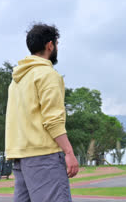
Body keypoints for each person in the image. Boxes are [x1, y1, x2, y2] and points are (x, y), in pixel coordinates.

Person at [5, 23, 79, 202]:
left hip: (20, 157)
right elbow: (53, 120)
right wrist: (69, 152)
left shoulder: (16, 81)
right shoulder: (47, 74)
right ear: (50, 45)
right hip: (44, 157)